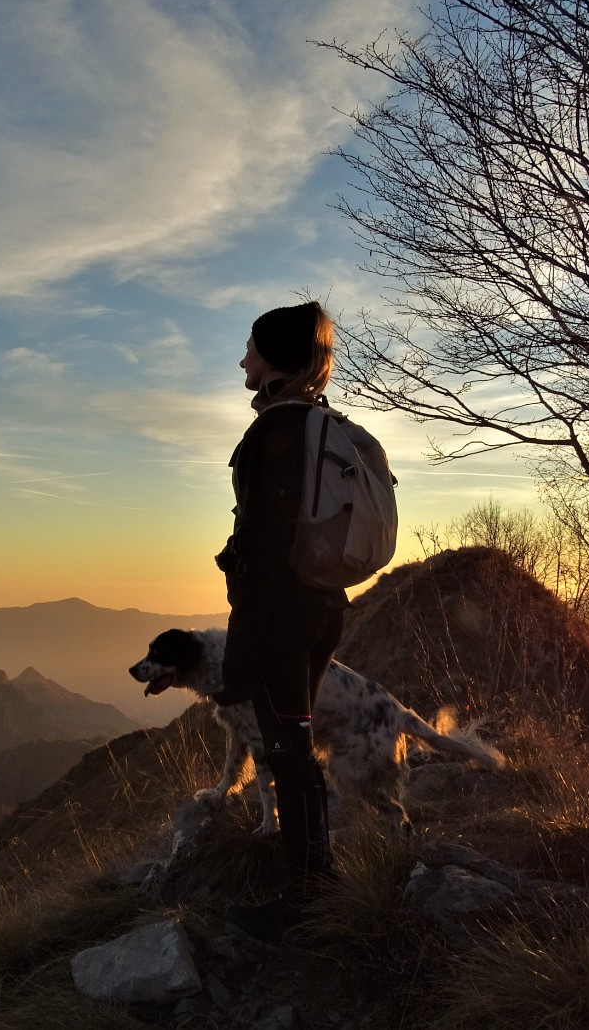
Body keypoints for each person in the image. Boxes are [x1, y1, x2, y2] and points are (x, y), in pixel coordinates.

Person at [214, 300, 348, 941]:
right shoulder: (319, 426)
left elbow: (267, 547)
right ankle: (316, 881)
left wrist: (241, 650)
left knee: (287, 752)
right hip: (324, 605)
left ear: (276, 360)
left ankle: (307, 899)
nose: (243, 359)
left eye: (252, 349)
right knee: (295, 745)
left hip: (281, 618)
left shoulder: (276, 432)